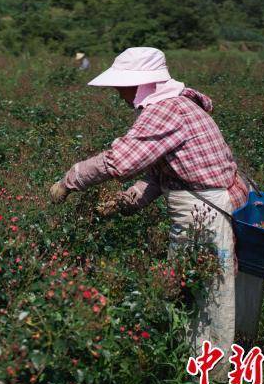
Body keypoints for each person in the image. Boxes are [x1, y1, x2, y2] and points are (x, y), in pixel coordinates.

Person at [49, 47, 248, 357]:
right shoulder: (175, 106)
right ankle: (193, 360)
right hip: (202, 205)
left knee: (205, 290)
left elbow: (119, 162)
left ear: (142, 83)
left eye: (121, 84)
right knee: (191, 285)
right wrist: (124, 203)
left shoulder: (165, 110)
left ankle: (207, 374)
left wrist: (68, 180)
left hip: (203, 210)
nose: (117, 91)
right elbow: (159, 177)